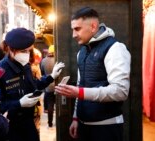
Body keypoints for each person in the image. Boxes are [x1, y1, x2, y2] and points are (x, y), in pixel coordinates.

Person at [55, 7, 131, 141]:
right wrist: (75, 118)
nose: (73, 34)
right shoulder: (82, 52)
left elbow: (121, 91)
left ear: (93, 26)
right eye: (73, 29)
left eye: (77, 29)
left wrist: (80, 93)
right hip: (83, 126)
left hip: (107, 128)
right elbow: (80, 85)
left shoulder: (115, 48)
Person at [0, 28, 65, 141]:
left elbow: (34, 85)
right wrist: (19, 103)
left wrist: (51, 76)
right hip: (10, 127)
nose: (27, 54)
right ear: (11, 50)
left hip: (29, 123)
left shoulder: (25, 66)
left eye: (29, 51)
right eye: (23, 51)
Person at [40, 45, 56, 128]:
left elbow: (42, 73)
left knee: (50, 104)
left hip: (48, 85)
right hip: (57, 84)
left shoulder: (43, 61)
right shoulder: (57, 60)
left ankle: (50, 123)